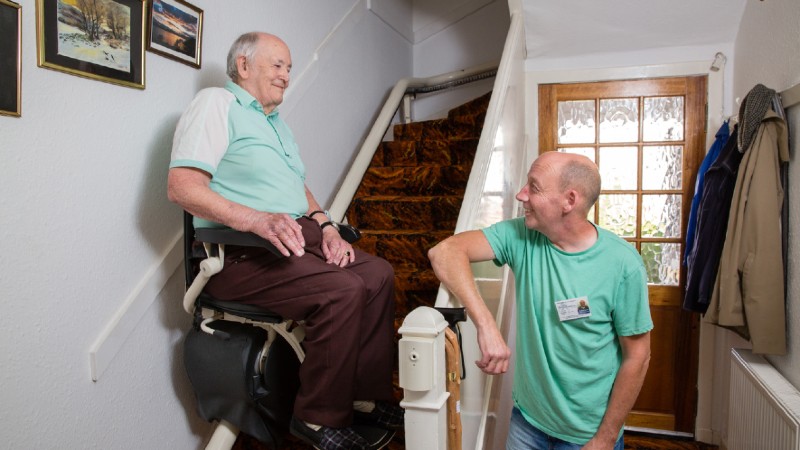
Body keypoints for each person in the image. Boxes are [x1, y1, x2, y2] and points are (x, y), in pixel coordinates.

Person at [167, 31, 402, 450]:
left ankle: (364, 397)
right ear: (243, 66)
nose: (286, 76)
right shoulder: (215, 105)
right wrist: (256, 220)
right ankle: (316, 418)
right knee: (342, 289)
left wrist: (326, 226)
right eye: (277, 65)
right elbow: (182, 187)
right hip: (241, 254)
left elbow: (298, 186)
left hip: (297, 239)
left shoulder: (275, 124)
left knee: (377, 273)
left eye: (289, 68)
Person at [428, 151, 652, 450]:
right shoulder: (522, 236)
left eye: (533, 187)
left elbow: (637, 356)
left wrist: (605, 438)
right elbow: (443, 253)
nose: (521, 195)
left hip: (588, 434)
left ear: (569, 201)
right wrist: (486, 324)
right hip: (527, 422)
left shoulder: (623, 265)